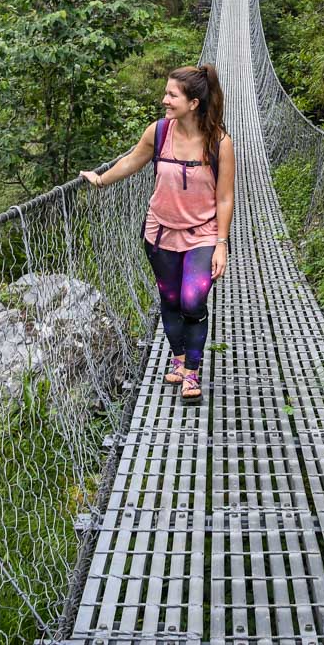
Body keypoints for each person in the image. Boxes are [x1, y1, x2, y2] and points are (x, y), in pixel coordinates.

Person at [80, 65, 235, 403]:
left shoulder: (220, 143)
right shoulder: (160, 132)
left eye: (171, 95)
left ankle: (192, 373)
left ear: (193, 103)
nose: (164, 100)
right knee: (170, 300)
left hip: (202, 236)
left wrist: (221, 244)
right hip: (160, 234)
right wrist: (101, 179)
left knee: (193, 302)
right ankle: (179, 362)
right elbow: (132, 161)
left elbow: (224, 197)